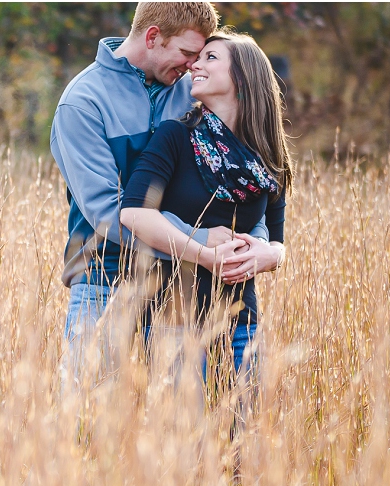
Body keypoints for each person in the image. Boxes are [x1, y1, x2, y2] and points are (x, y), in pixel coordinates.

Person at [50, 2, 263, 383]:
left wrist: (260, 243)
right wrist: (200, 238)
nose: (191, 65)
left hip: (178, 280)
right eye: (185, 53)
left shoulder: (192, 91)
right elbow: (107, 211)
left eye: (198, 57)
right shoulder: (82, 103)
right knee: (84, 415)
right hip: (104, 276)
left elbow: (238, 178)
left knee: (179, 415)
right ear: (152, 38)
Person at [119, 31, 292, 381]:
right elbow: (134, 212)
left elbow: (276, 239)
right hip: (174, 318)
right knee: (186, 434)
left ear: (243, 77)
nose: (195, 64)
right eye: (197, 58)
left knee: (243, 431)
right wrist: (204, 254)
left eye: (210, 58)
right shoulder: (175, 137)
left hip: (241, 320)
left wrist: (271, 257)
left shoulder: (268, 156)